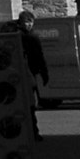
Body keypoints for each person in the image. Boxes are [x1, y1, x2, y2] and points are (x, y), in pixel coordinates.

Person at [17, 8, 50, 139]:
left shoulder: (34, 37)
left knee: (31, 105)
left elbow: (40, 56)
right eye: (26, 22)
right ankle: (31, 132)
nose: (29, 24)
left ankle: (33, 131)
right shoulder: (18, 36)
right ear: (21, 23)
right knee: (27, 104)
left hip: (32, 73)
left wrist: (44, 72)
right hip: (22, 73)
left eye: (31, 22)